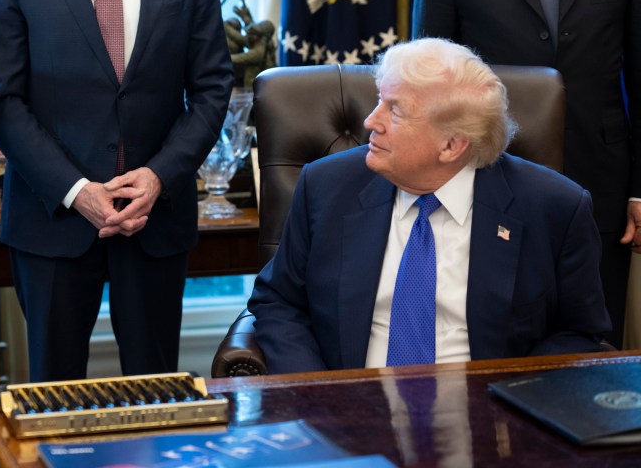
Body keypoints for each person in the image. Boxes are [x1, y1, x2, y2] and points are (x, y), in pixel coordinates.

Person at [0, 0, 233, 381]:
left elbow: (213, 87)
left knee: (155, 388)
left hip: (154, 218)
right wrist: (76, 190)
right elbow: (3, 100)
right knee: (52, 389)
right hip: (55, 220)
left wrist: (159, 177)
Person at [412, 0, 641, 347]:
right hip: (488, 179)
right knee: (496, 339)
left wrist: (640, 188)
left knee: (592, 342)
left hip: (600, 182)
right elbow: (429, 81)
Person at [247, 38, 611, 374]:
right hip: (349, 408)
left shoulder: (554, 207)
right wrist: (319, 397)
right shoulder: (326, 186)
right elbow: (278, 301)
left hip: (490, 419)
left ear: (452, 145)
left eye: (395, 110)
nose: (370, 121)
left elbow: (578, 332)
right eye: (379, 99)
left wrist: (511, 407)